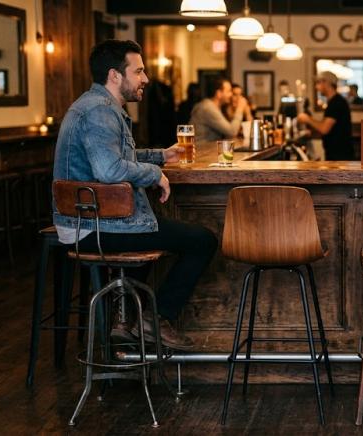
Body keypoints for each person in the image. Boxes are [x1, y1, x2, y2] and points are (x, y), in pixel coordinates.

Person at [52, 39, 218, 350]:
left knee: (155, 227)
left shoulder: (97, 106)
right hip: (94, 227)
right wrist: (157, 175)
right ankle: (154, 319)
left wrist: (160, 157)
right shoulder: (101, 112)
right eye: (139, 71)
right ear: (115, 75)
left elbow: (113, 157)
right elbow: (111, 171)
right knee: (203, 240)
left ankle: (124, 317)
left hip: (91, 220)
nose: (146, 78)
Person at [297, 71, 354, 160]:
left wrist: (307, 119)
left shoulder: (336, 103)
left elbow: (324, 129)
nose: (316, 87)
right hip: (337, 154)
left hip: (340, 156)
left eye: (318, 83)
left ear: (326, 83)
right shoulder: (333, 102)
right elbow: (331, 128)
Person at [189, 77, 249, 142]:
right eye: (229, 91)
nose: (231, 95)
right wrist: (240, 108)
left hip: (208, 149)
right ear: (219, 93)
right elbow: (232, 132)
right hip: (201, 150)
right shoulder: (208, 108)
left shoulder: (216, 107)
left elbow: (228, 133)